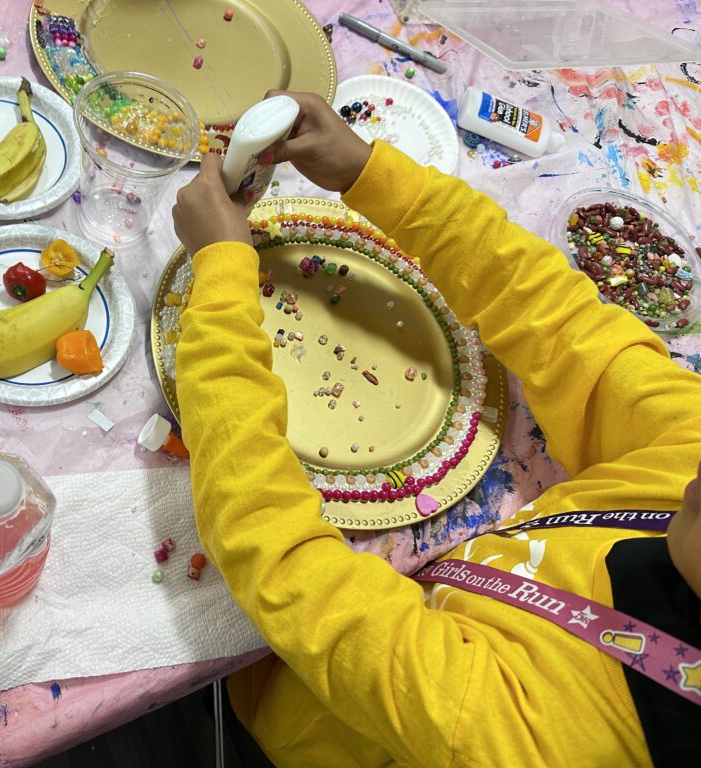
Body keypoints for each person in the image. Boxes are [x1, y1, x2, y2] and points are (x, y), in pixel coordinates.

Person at [170, 91, 701, 766]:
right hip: (453, 574)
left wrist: (220, 277)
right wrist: (372, 176)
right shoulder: (690, 467)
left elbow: (281, 561)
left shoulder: (531, 739)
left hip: (294, 686)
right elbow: (564, 325)